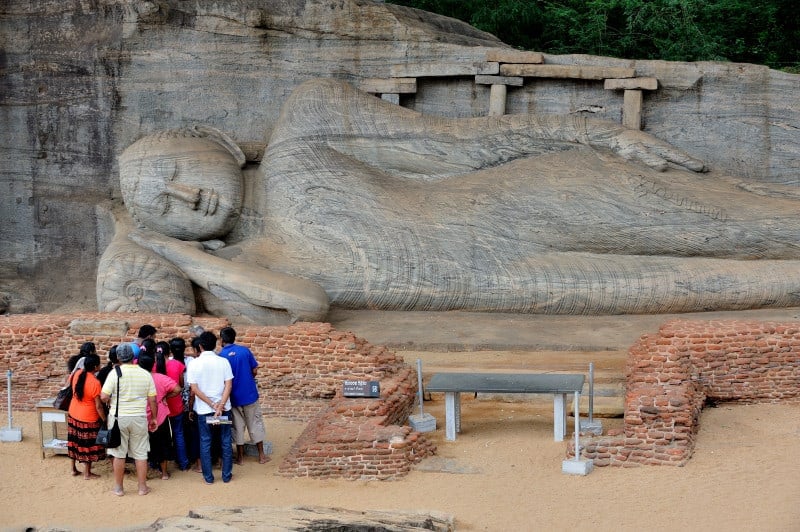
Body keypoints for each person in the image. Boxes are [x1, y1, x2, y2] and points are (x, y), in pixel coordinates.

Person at [112, 78, 800, 322]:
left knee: (756, 224)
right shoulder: (248, 272)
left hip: (540, 199)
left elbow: (459, 145)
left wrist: (594, 135)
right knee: (750, 283)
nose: (185, 197)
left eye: (176, 169)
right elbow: (307, 306)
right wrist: (167, 253)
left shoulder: (306, 128)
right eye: (159, 207)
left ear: (212, 139)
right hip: (514, 284)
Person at [100, 343, 158, 496]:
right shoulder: (145, 373)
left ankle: (119, 488)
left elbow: (104, 396)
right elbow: (152, 399)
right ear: (134, 357)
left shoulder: (114, 373)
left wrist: (112, 400)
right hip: (139, 417)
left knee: (118, 453)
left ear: (118, 357)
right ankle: (142, 487)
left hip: (119, 418)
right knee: (140, 453)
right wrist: (154, 418)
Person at [186, 331, 233, 484]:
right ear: (215, 345)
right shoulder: (223, 361)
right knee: (225, 440)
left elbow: (194, 389)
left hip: (205, 412)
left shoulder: (194, 364)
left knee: (205, 441)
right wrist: (220, 405)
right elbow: (228, 385)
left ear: (200, 346)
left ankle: (208, 477)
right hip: (223, 410)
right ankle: (226, 475)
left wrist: (212, 404)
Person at [219, 327, 269, 464]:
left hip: (233, 397)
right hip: (249, 394)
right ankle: (261, 456)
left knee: (237, 426)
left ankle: (240, 457)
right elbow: (254, 369)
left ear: (222, 340)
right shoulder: (245, 351)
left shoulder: (221, 356)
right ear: (234, 338)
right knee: (255, 423)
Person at [139, 351, 181, 480]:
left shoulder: (136, 379)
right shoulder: (160, 378)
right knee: (162, 444)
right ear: (153, 365)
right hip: (160, 416)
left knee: (142, 447)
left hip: (141, 416)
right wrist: (164, 397)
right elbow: (178, 389)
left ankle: (144, 474)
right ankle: (164, 473)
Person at [66, 353, 106, 479]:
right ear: (95, 367)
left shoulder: (77, 374)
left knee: (74, 442)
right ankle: (87, 473)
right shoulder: (95, 382)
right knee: (88, 445)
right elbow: (99, 406)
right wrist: (104, 420)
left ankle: (73, 469)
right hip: (88, 418)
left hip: (73, 413)